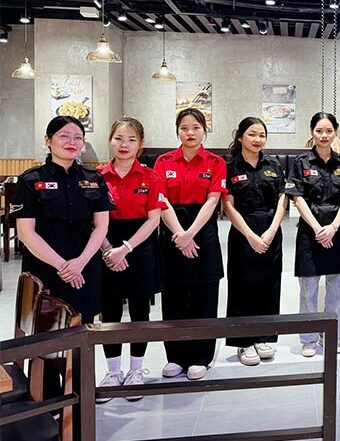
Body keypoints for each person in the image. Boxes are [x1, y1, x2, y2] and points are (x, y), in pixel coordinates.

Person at [12, 116, 112, 322]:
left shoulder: (94, 179)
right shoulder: (30, 179)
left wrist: (80, 263)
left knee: (84, 327)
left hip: (85, 266)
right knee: (44, 330)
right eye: (64, 136)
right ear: (48, 140)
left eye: (78, 137)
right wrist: (63, 267)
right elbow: (25, 232)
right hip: (44, 266)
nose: (71, 142)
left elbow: (101, 226)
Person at [96, 117, 166, 401]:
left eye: (131, 140)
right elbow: (93, 220)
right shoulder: (96, 177)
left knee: (140, 311)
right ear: (110, 140)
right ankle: (113, 372)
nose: (124, 145)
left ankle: (137, 370)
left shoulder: (151, 176)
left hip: (140, 246)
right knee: (109, 311)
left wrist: (125, 248)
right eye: (119, 138)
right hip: (105, 244)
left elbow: (153, 219)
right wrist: (108, 250)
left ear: (141, 144)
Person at [154, 108, 227, 381]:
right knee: (173, 297)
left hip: (203, 231)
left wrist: (190, 234)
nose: (190, 133)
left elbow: (213, 200)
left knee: (204, 297)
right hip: (172, 230)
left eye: (196, 127)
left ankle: (200, 357)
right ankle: (175, 356)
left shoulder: (216, 162)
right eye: (184, 128)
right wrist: (179, 234)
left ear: (204, 131)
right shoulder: (163, 161)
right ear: (177, 131)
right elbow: (161, 200)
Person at [285, 112, 340, 357]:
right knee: (308, 289)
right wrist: (318, 228)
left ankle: (331, 335)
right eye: (319, 131)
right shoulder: (301, 163)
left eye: (329, 131)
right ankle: (308, 338)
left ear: (336, 132)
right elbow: (297, 198)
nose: (324, 135)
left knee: (335, 289)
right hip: (310, 232)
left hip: (336, 231)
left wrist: (333, 227)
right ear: (312, 132)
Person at [224, 117, 287, 366]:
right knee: (242, 286)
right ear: (240, 137)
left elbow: (282, 199)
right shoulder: (230, 167)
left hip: (271, 231)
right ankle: (244, 341)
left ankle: (264, 337)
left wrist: (272, 230)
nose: (257, 139)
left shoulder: (274, 165)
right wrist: (249, 235)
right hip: (243, 233)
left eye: (261, 135)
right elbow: (228, 205)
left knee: (270, 284)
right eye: (252, 134)